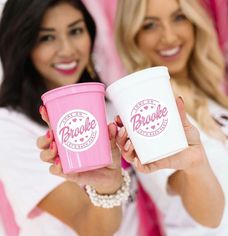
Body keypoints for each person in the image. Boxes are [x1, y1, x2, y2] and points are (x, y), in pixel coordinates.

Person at [0, 0, 132, 235]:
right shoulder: (9, 126)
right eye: (47, 38)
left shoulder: (111, 104)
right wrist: (108, 186)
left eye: (75, 31)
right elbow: (91, 228)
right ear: (23, 44)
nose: (68, 50)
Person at [115, 0, 228, 235]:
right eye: (150, 25)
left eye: (179, 17)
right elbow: (209, 217)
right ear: (132, 36)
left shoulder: (212, 98)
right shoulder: (147, 110)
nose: (168, 36)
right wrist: (196, 166)